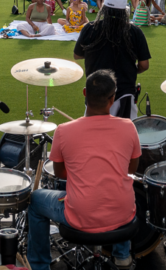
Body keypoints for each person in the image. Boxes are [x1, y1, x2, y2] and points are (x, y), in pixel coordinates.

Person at [27, 70, 140, 270]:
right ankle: (122, 256)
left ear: (84, 93)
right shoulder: (129, 126)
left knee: (35, 200)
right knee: (121, 188)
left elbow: (60, 173)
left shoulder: (63, 130)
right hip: (123, 214)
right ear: (113, 98)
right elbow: (130, 169)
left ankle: (39, 266)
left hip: (79, 215)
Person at [74, 0, 151, 119]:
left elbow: (77, 55)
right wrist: (129, 69)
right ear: (125, 11)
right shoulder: (135, 32)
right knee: (124, 135)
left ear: (104, 9)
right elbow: (144, 65)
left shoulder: (90, 28)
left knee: (93, 134)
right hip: (124, 92)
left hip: (95, 91)